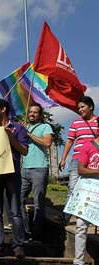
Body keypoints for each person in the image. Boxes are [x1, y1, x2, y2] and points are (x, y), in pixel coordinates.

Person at [0, 99, 28, 259]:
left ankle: (18, 246)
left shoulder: (18, 128)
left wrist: (11, 138)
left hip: (12, 174)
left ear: (3, 109)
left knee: (15, 212)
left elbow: (24, 151)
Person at [58, 96, 97, 224]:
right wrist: (63, 159)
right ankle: (66, 216)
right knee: (73, 187)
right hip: (77, 159)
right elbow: (70, 141)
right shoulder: (76, 123)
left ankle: (91, 217)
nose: (80, 110)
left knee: (94, 189)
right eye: (78, 108)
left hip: (94, 160)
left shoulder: (98, 121)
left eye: (82, 107)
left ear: (90, 107)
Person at [21, 103, 53, 241]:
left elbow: (47, 143)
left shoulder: (45, 127)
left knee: (38, 202)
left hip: (39, 168)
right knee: (18, 200)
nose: (32, 114)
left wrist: (29, 134)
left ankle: (36, 234)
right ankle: (24, 231)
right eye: (30, 112)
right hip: (24, 168)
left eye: (35, 112)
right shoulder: (24, 127)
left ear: (40, 115)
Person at [75, 122, 99, 265]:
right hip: (88, 190)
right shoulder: (88, 145)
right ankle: (78, 261)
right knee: (81, 225)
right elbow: (81, 169)